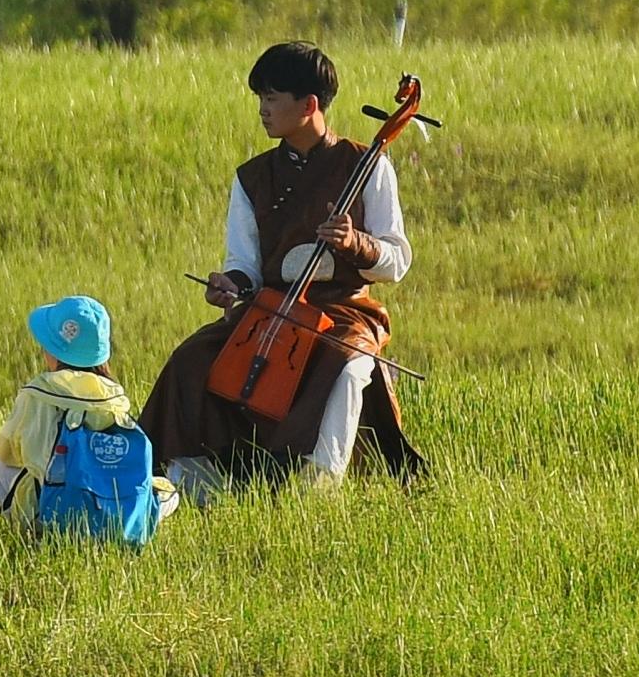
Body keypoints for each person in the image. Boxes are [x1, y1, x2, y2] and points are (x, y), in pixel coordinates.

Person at [138, 41, 426, 498]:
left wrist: (356, 243)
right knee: (190, 361)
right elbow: (245, 265)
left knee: (348, 365)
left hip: (345, 311)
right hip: (269, 310)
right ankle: (193, 482)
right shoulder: (251, 176)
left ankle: (319, 482)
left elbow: (398, 261)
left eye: (271, 98)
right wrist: (230, 286)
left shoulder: (368, 165)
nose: (263, 110)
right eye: (261, 99)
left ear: (308, 104)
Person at [0, 295, 179, 534]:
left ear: (55, 352)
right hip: (116, 514)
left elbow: (7, 451)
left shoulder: (38, 394)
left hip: (54, 514)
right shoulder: (115, 398)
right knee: (169, 494)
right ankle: (126, 524)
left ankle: (30, 531)